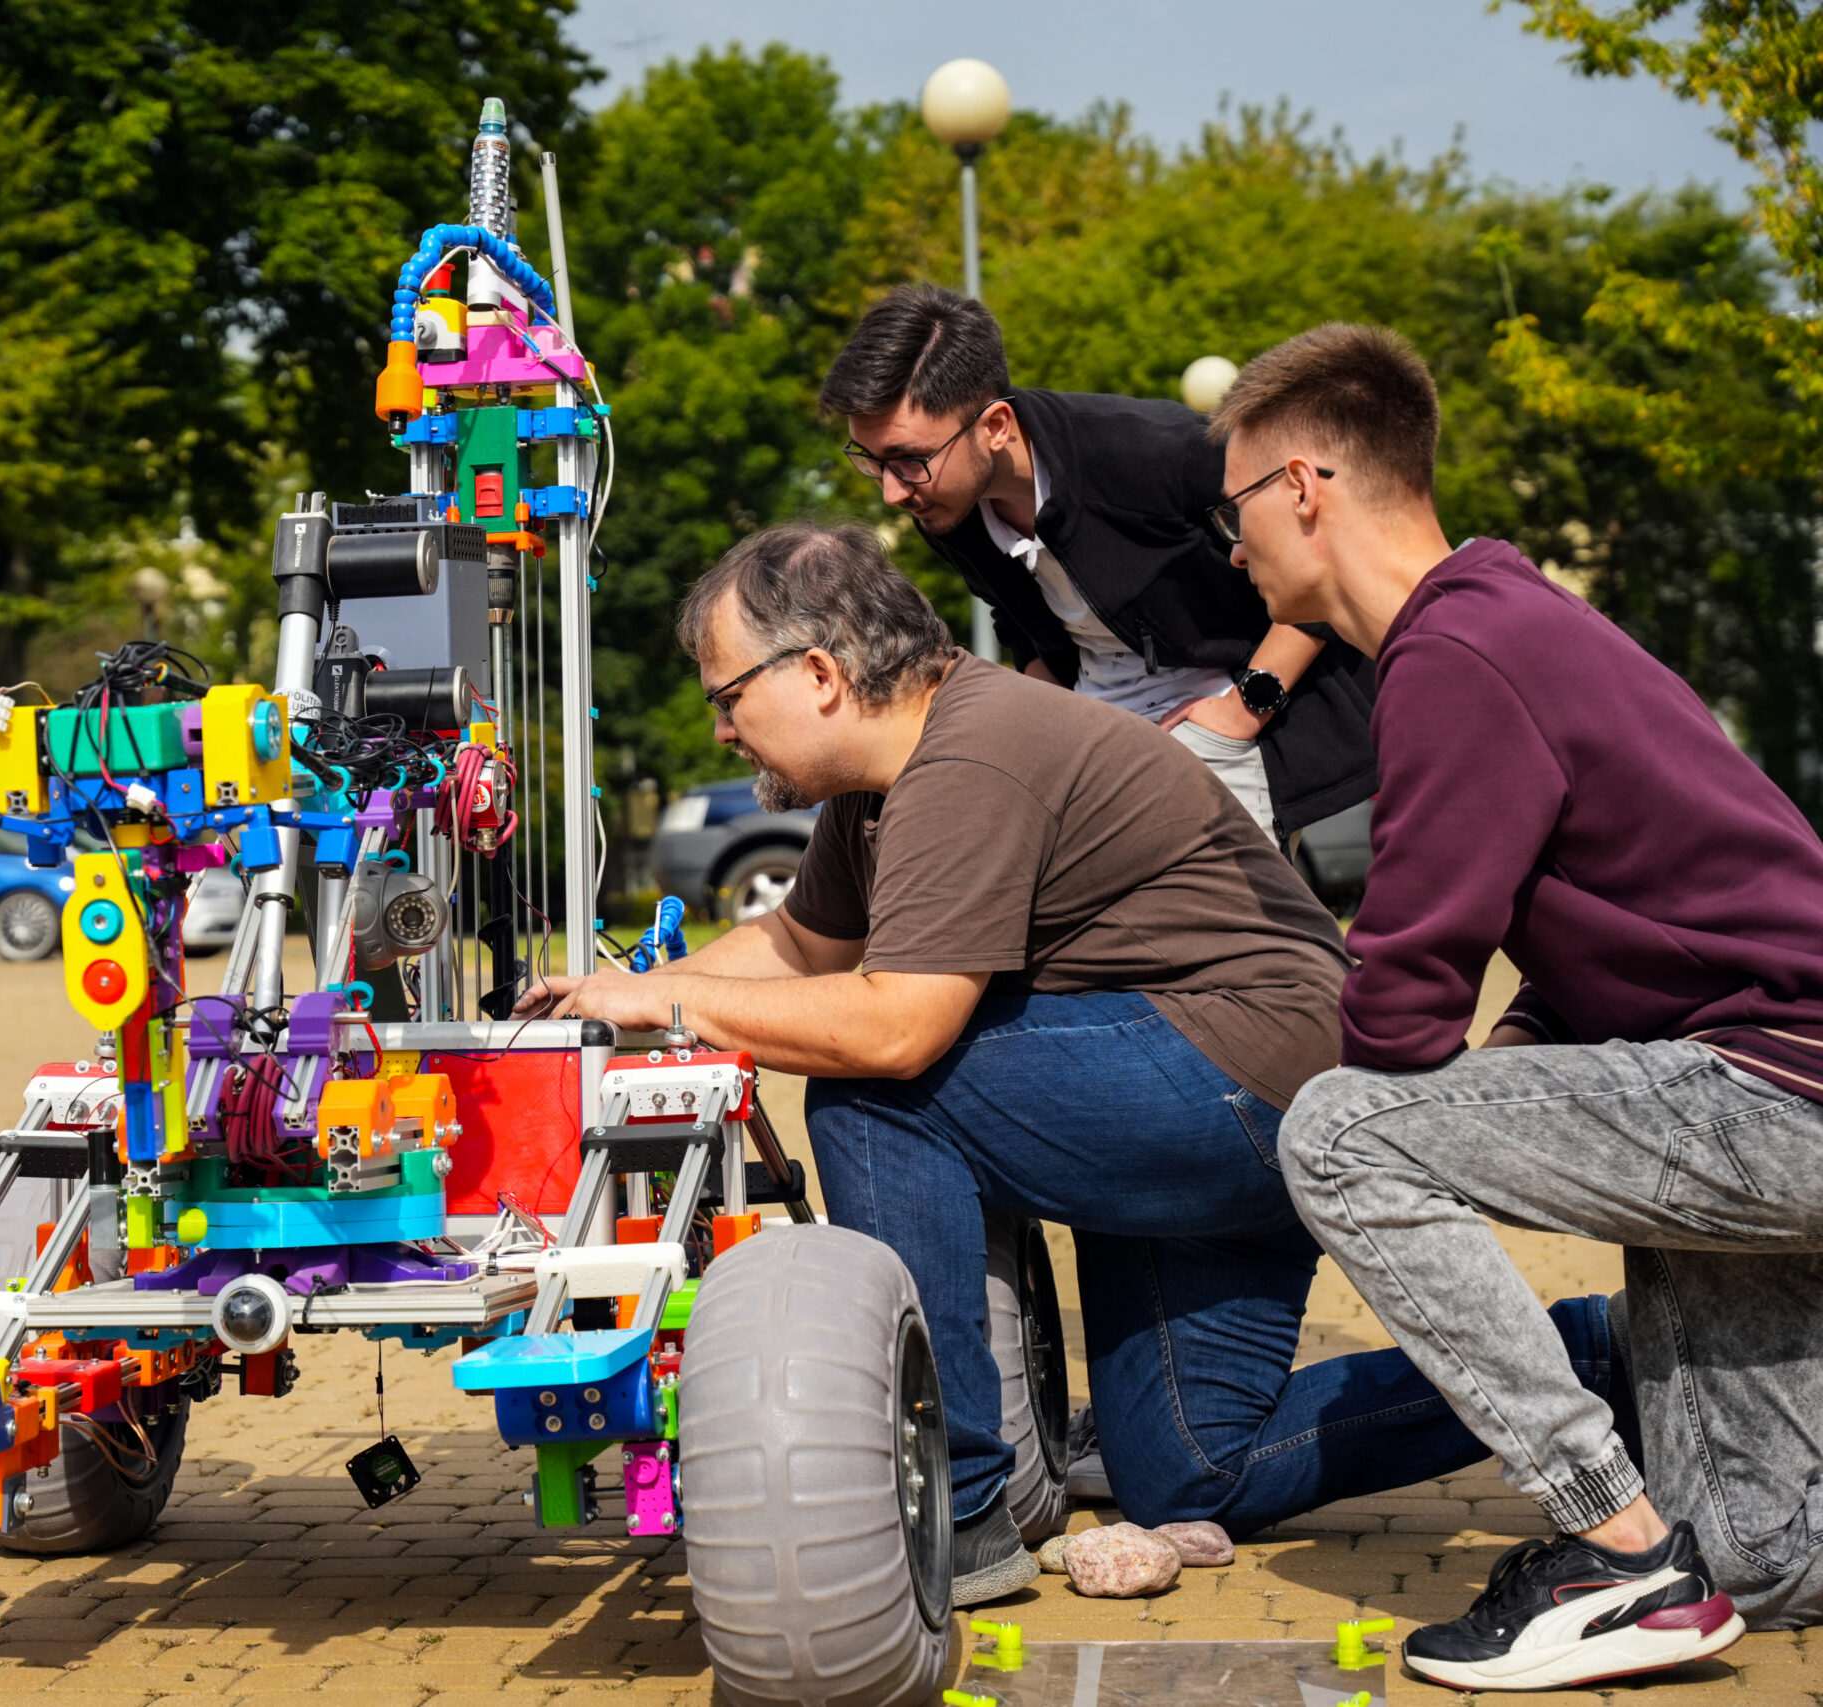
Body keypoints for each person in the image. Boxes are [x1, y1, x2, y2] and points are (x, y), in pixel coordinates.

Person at [516, 519, 1621, 1610]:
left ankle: (958, 1504)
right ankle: (1599, 1356)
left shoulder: (970, 754)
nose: (721, 729)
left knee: (874, 1092)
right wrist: (606, 1009)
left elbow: (894, 1028)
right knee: (1193, 1473)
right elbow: (802, 947)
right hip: (1188, 1087)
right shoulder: (878, 786)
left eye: (726, 696)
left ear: (818, 673)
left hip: (1249, 1076)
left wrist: (672, 999)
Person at [1216, 322, 1823, 1690]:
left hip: (1771, 1091)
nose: (1232, 548)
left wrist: (1466, 1084)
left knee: (1339, 1133)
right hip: (1762, 1077)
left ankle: (1615, 1550)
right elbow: (1634, 922)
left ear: (1302, 487)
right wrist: (1526, 1062)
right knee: (1758, 1554)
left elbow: (1397, 1019)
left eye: (1234, 508)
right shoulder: (1509, 617)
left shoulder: (1456, 653)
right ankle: (1685, 1566)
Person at [821, 284, 1378, 848]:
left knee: (1214, 905)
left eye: (909, 460)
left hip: (1226, 716)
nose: (892, 492)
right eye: (871, 461)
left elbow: (1321, 547)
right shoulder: (946, 505)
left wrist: (1243, 709)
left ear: (995, 427)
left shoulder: (1155, 451)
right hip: (1095, 728)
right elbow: (1018, 621)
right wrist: (1042, 729)